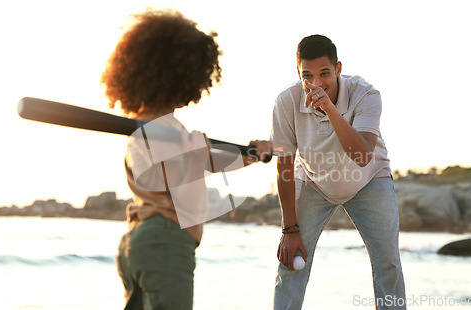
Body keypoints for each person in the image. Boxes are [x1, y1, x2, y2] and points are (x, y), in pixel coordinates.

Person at [100, 9, 272, 309]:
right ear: (184, 75)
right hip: (165, 241)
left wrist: (251, 155)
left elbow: (208, 163)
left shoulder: (160, 126)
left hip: (141, 241)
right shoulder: (155, 129)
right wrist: (194, 158)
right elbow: (173, 179)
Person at [271, 34, 406, 309]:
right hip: (313, 181)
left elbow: (361, 155)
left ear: (338, 69)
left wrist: (330, 109)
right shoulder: (286, 102)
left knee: (388, 263)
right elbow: (284, 166)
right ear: (298, 73)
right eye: (307, 75)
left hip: (368, 178)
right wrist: (289, 229)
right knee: (291, 263)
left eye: (324, 73)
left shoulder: (365, 94)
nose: (316, 83)